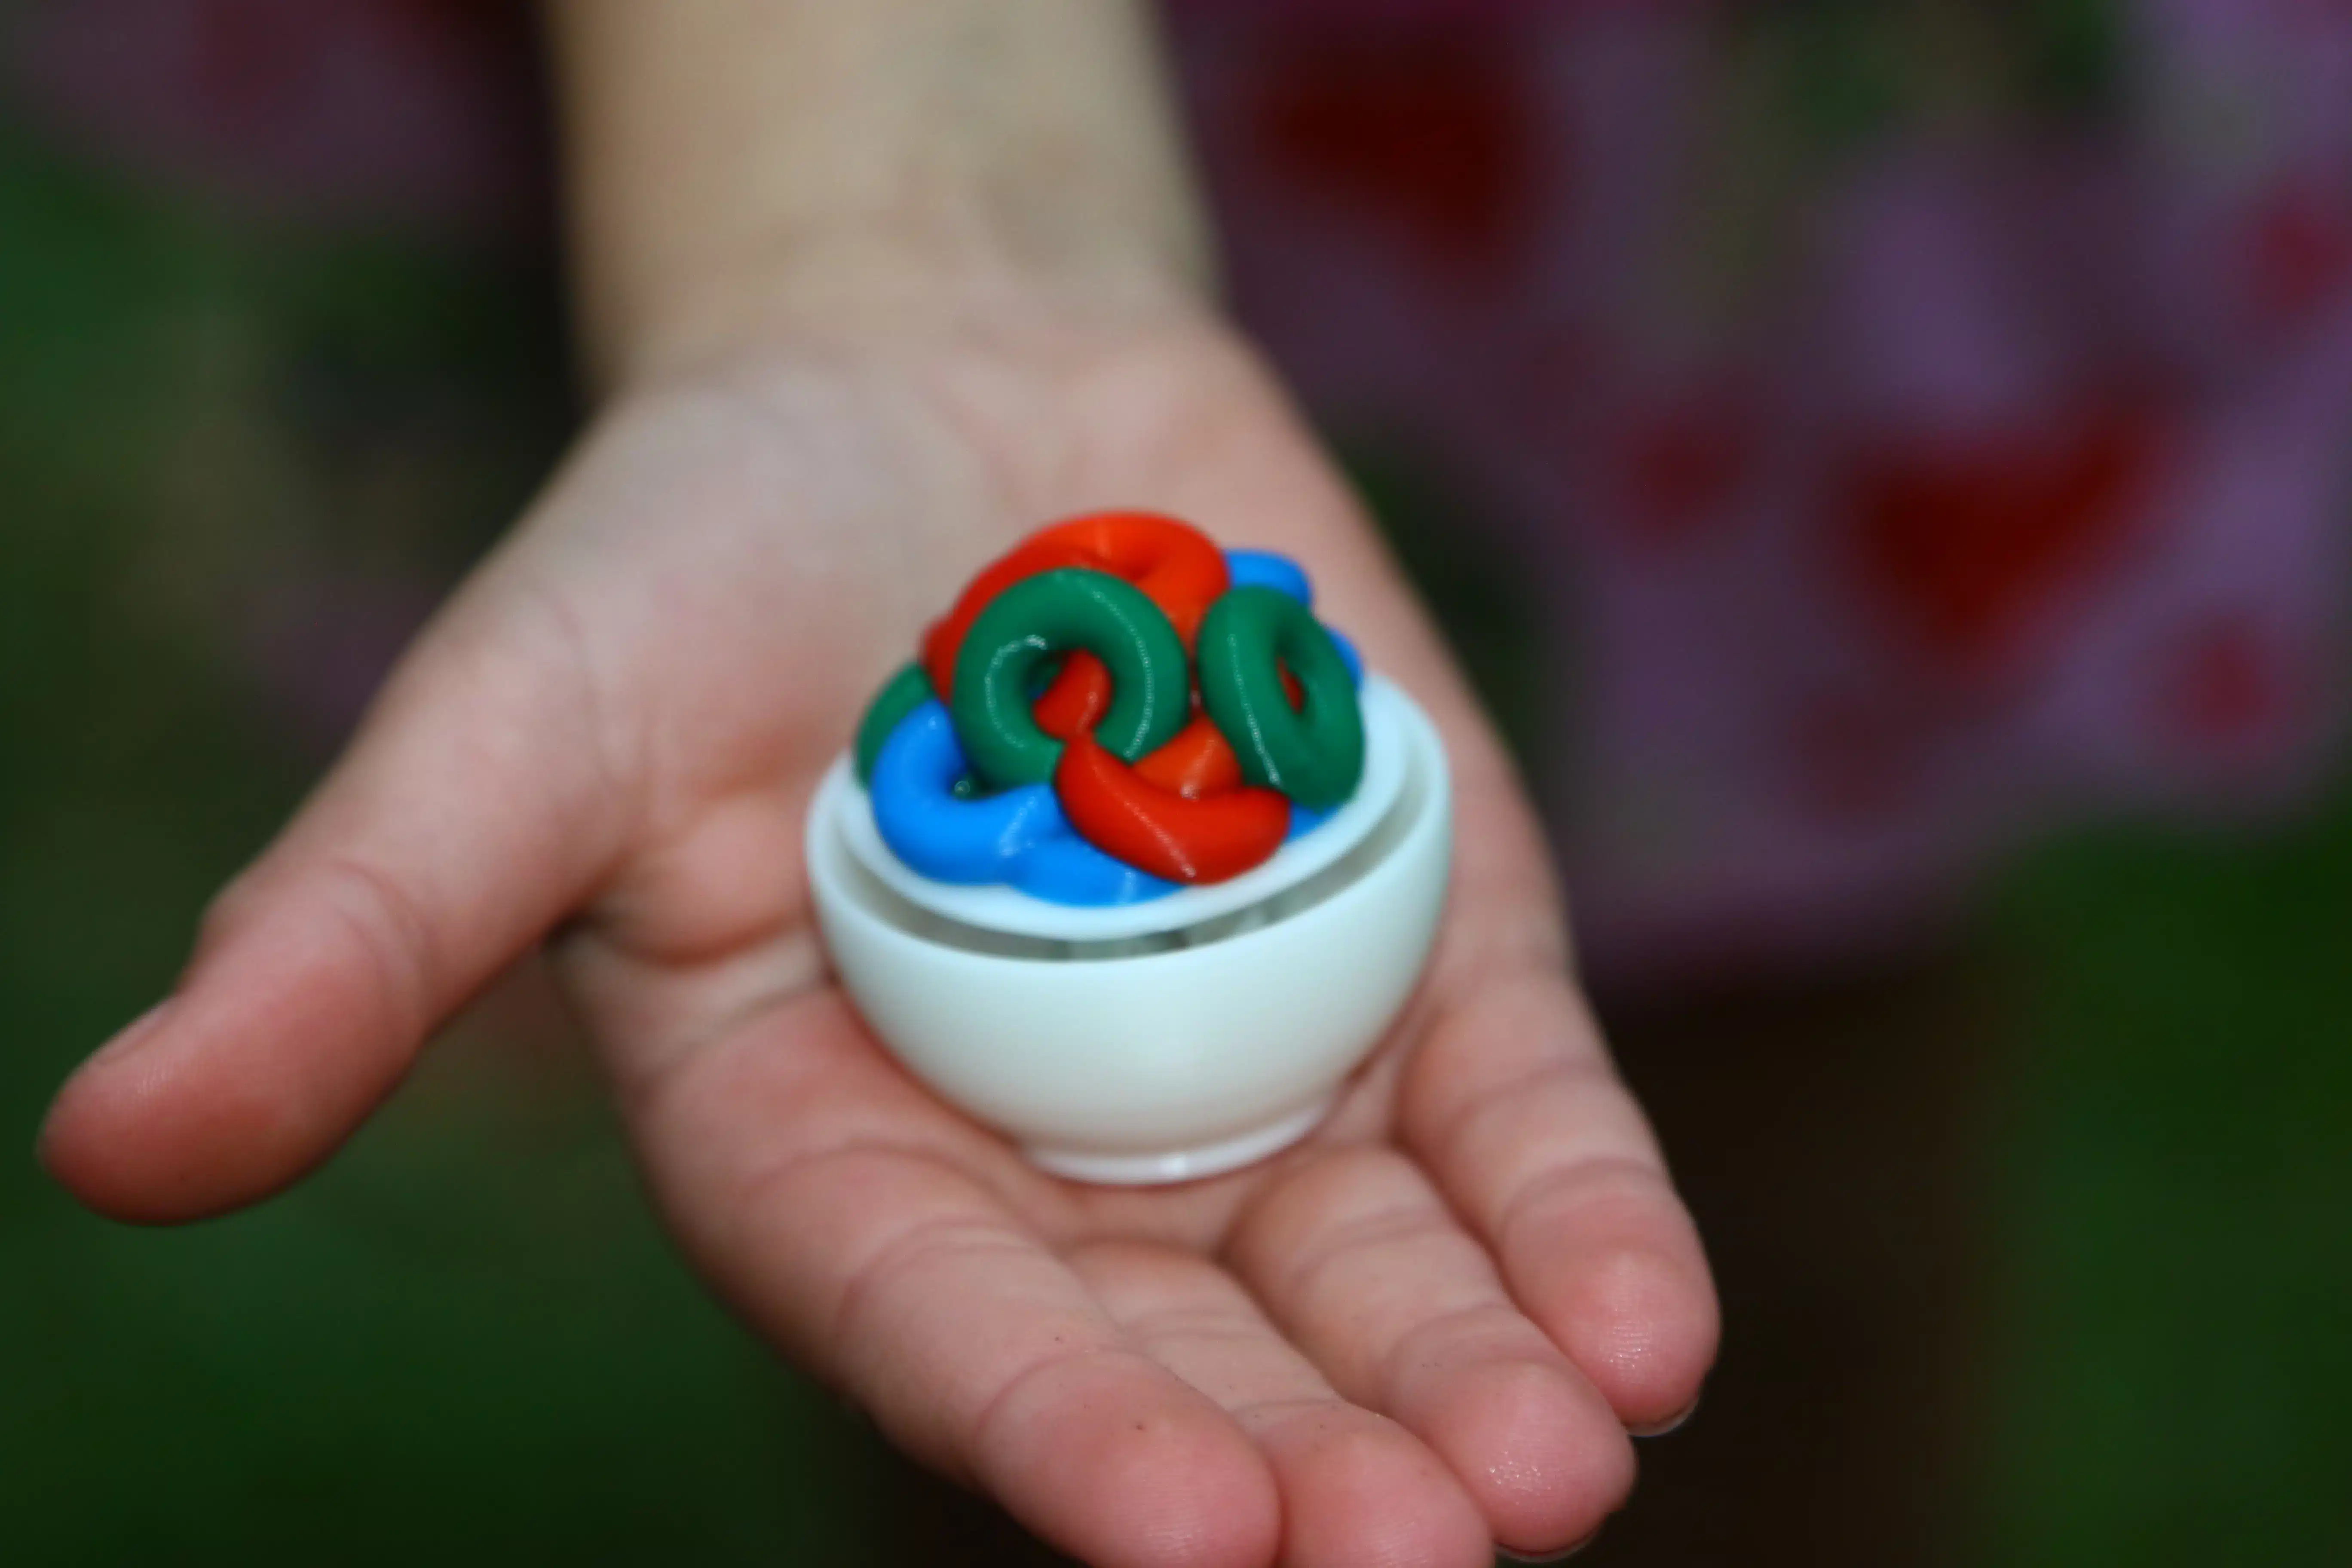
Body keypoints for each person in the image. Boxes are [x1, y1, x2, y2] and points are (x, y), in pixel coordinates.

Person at [35, 5, 1721, 1565]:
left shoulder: (1264, 693)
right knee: (1044, 1439)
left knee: (1760, 982)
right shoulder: (979, 765)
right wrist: (860, 258)